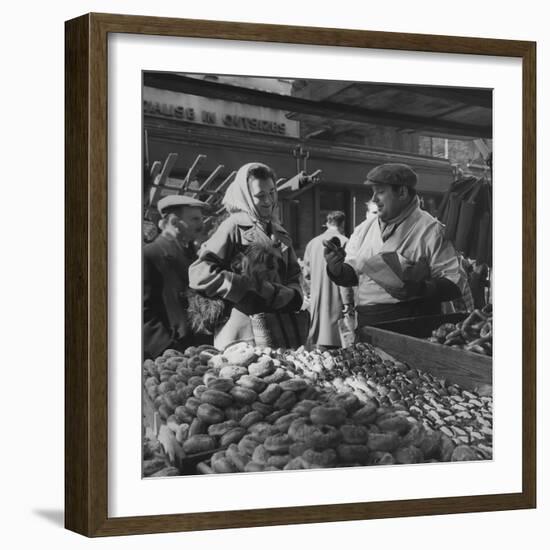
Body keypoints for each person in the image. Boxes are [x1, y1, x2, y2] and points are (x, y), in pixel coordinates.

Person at [324, 163, 468, 327]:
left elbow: (456, 282)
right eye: (373, 192)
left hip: (414, 324)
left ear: (402, 192)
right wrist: (336, 269)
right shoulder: (363, 229)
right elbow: (352, 274)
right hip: (368, 323)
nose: (374, 199)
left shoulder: (432, 230)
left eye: (380, 192)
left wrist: (421, 289)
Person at [188, 162, 303, 350]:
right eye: (260, 195)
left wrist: (290, 294)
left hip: (277, 331)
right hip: (241, 335)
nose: (268, 201)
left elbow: (293, 276)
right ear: (246, 196)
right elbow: (199, 272)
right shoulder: (233, 226)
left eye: (272, 193)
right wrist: (245, 288)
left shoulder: (280, 231)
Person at [143, 194, 211, 359]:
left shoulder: (194, 255)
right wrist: (166, 349)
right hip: (171, 356)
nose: (201, 225)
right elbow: (142, 310)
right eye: (195, 219)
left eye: (201, 219)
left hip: (198, 350)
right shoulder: (149, 254)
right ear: (174, 222)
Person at [303, 211, 354, 348]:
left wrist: (310, 294)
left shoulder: (312, 243)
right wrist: (348, 301)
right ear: (342, 224)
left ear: (327, 223)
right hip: (337, 302)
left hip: (317, 300)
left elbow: (306, 275)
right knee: (339, 345)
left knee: (320, 344)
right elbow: (347, 274)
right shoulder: (345, 242)